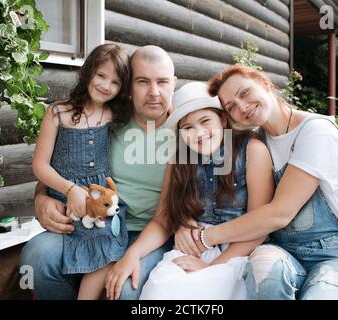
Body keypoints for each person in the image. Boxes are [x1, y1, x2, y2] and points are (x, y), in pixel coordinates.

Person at [178, 65, 338, 300]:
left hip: (333, 253)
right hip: (280, 251)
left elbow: (280, 213)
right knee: (264, 269)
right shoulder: (257, 143)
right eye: (231, 107)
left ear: (264, 83)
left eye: (245, 93)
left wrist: (207, 237)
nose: (242, 106)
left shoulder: (316, 132)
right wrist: (184, 222)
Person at [20, 45, 178, 300]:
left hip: (148, 233)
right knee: (36, 260)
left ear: (174, 84)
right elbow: (63, 163)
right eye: (142, 82)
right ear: (129, 88)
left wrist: (132, 254)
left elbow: (170, 215)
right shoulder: (112, 119)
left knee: (125, 292)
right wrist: (41, 199)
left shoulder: (185, 133)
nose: (154, 93)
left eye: (162, 82)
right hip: (92, 221)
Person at [105, 81, 274, 300]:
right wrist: (132, 254)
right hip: (192, 247)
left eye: (205, 121)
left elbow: (260, 228)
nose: (199, 133)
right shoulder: (180, 160)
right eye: (188, 128)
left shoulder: (252, 151)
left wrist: (210, 266)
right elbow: (163, 219)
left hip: (238, 251)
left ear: (222, 119)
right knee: (161, 290)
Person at [31, 43, 130, 299]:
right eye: (101, 76)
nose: (106, 86)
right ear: (88, 73)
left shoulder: (114, 116)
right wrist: (70, 189)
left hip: (101, 206)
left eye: (115, 82)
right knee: (37, 261)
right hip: (67, 206)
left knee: (106, 252)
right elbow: (40, 165)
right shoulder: (58, 113)